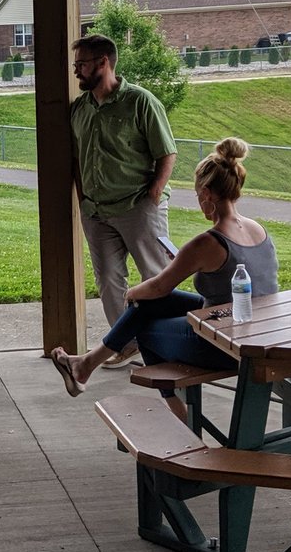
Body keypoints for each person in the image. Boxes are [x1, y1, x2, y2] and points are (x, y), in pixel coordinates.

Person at [49, 138, 278, 419]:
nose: (198, 203)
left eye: (197, 196)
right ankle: (84, 365)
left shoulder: (207, 242)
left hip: (223, 343)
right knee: (150, 306)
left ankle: (178, 414)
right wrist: (185, 264)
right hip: (256, 330)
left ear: (206, 193)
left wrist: (131, 293)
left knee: (142, 321)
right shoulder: (258, 230)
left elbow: (159, 286)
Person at [70, 34, 177, 368]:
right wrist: (82, 196)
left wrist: (153, 196)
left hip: (138, 207)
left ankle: (169, 344)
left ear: (103, 63)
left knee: (156, 277)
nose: (76, 72)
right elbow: (76, 157)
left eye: (82, 65)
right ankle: (127, 345)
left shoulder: (141, 102)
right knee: (109, 280)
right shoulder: (79, 108)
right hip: (96, 211)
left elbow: (167, 152)